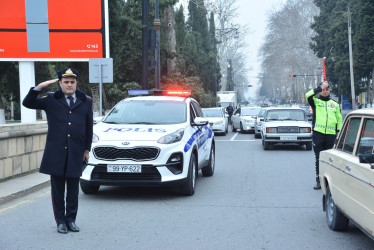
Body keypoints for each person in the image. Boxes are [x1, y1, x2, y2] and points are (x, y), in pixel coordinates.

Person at [22, 68, 93, 234]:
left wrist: (87, 149)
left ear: (76, 83)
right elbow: (28, 103)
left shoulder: (86, 101)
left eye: (72, 82)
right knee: (58, 190)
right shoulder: (51, 99)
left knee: (74, 190)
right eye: (66, 82)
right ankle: (60, 221)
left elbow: (89, 127)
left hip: (76, 152)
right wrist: (39, 87)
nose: (69, 85)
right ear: (60, 83)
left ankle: (71, 220)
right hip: (56, 153)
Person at [306, 81, 342, 190]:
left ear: (329, 91)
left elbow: (339, 119)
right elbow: (308, 95)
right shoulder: (316, 102)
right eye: (323, 90)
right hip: (318, 134)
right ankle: (318, 180)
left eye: (327, 89)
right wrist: (319, 87)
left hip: (331, 136)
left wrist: (339, 133)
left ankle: (329, 181)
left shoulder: (335, 104)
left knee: (330, 159)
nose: (325, 91)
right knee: (319, 158)